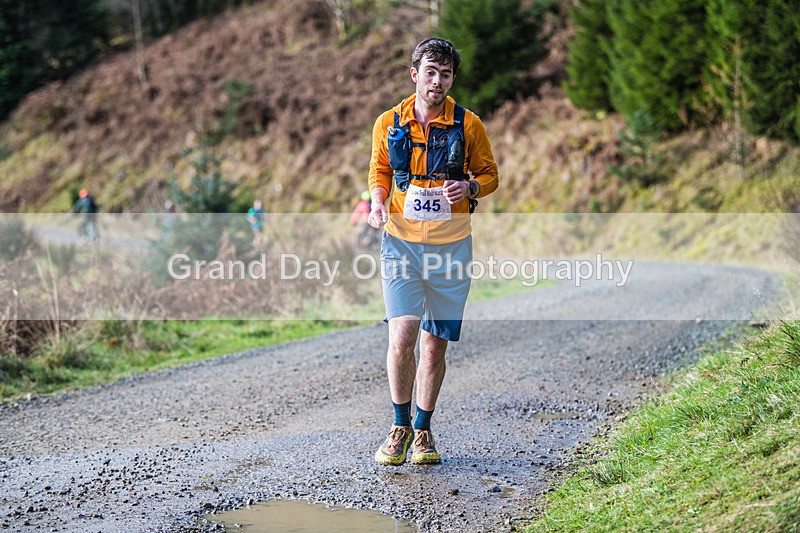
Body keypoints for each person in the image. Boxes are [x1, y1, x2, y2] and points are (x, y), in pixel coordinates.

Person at [367, 38, 499, 465]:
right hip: (401, 243)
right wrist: (377, 201)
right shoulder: (389, 121)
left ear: (451, 79)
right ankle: (398, 425)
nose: (437, 81)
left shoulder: (469, 124)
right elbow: (380, 169)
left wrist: (471, 186)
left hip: (450, 247)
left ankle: (423, 431)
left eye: (445, 74)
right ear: (415, 74)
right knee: (402, 334)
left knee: (433, 344)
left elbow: (490, 174)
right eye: (430, 72)